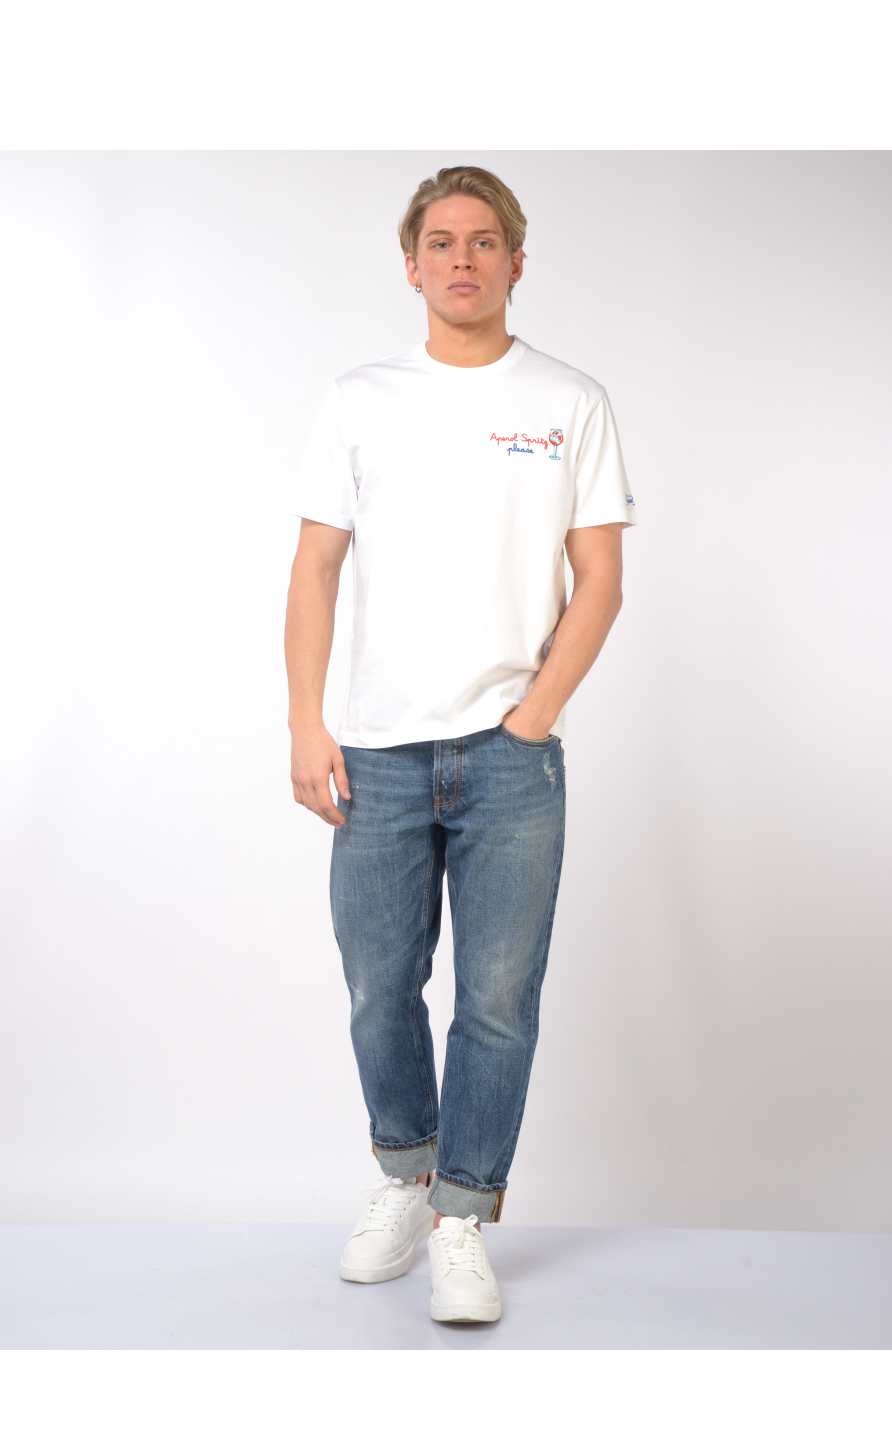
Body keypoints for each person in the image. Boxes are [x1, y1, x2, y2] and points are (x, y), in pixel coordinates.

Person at [284, 165, 636, 1324]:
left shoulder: (570, 400)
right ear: (412, 265)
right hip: (378, 753)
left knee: (497, 1000)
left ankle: (463, 1219)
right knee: (378, 985)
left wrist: (530, 718)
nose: (463, 259)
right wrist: (305, 721)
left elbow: (600, 578)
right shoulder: (359, 399)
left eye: (485, 241)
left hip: (509, 758)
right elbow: (316, 566)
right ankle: (405, 1174)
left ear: (516, 261)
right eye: (441, 242)